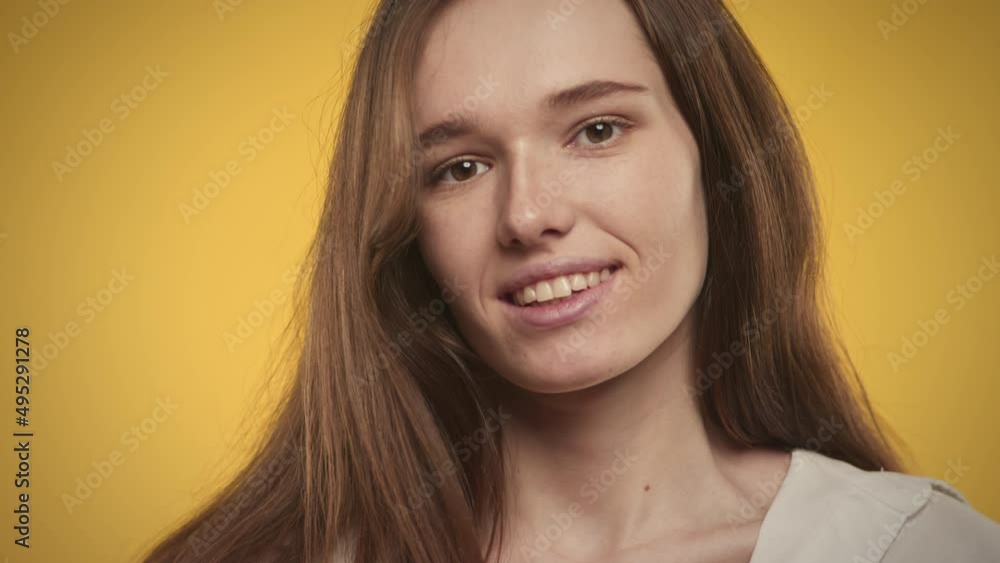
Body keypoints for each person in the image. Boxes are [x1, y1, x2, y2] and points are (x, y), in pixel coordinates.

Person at [142, 0, 1000, 561]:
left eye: (596, 129)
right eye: (462, 166)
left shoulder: (918, 548)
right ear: (408, 230)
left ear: (716, 154)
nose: (529, 215)